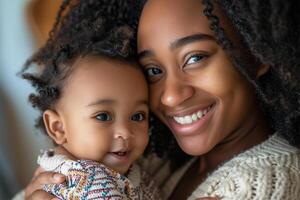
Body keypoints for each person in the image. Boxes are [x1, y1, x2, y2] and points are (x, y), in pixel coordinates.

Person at [17, 0, 300, 199]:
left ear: (256, 54)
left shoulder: (269, 183)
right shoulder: (151, 158)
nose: (171, 95)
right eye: (153, 71)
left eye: (195, 58)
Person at [14, 0, 161, 199]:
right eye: (102, 116)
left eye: (137, 116)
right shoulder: (83, 181)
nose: (125, 132)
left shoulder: (128, 170)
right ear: (58, 127)